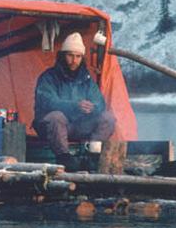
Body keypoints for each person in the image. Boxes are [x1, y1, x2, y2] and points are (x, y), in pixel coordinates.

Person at [33, 31, 116, 170]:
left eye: (78, 56)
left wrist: (92, 108)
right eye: (70, 55)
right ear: (62, 56)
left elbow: (100, 103)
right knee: (56, 117)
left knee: (108, 118)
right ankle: (64, 158)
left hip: (77, 125)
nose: (74, 60)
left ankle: (92, 156)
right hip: (52, 127)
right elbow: (47, 102)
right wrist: (74, 106)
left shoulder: (86, 79)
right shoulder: (48, 77)